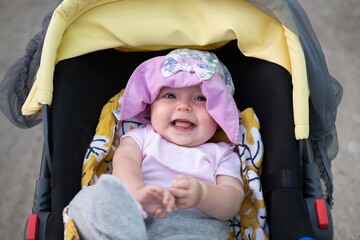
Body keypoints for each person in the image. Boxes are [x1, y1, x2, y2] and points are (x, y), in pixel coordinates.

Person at [68, 49, 245, 239]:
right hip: (135, 217)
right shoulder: (142, 136)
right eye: (170, 96)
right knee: (88, 199)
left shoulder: (222, 153)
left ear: (218, 116)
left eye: (200, 98)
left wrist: (201, 194)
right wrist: (137, 193)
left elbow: (232, 201)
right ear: (151, 105)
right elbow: (125, 161)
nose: (183, 106)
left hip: (192, 228)